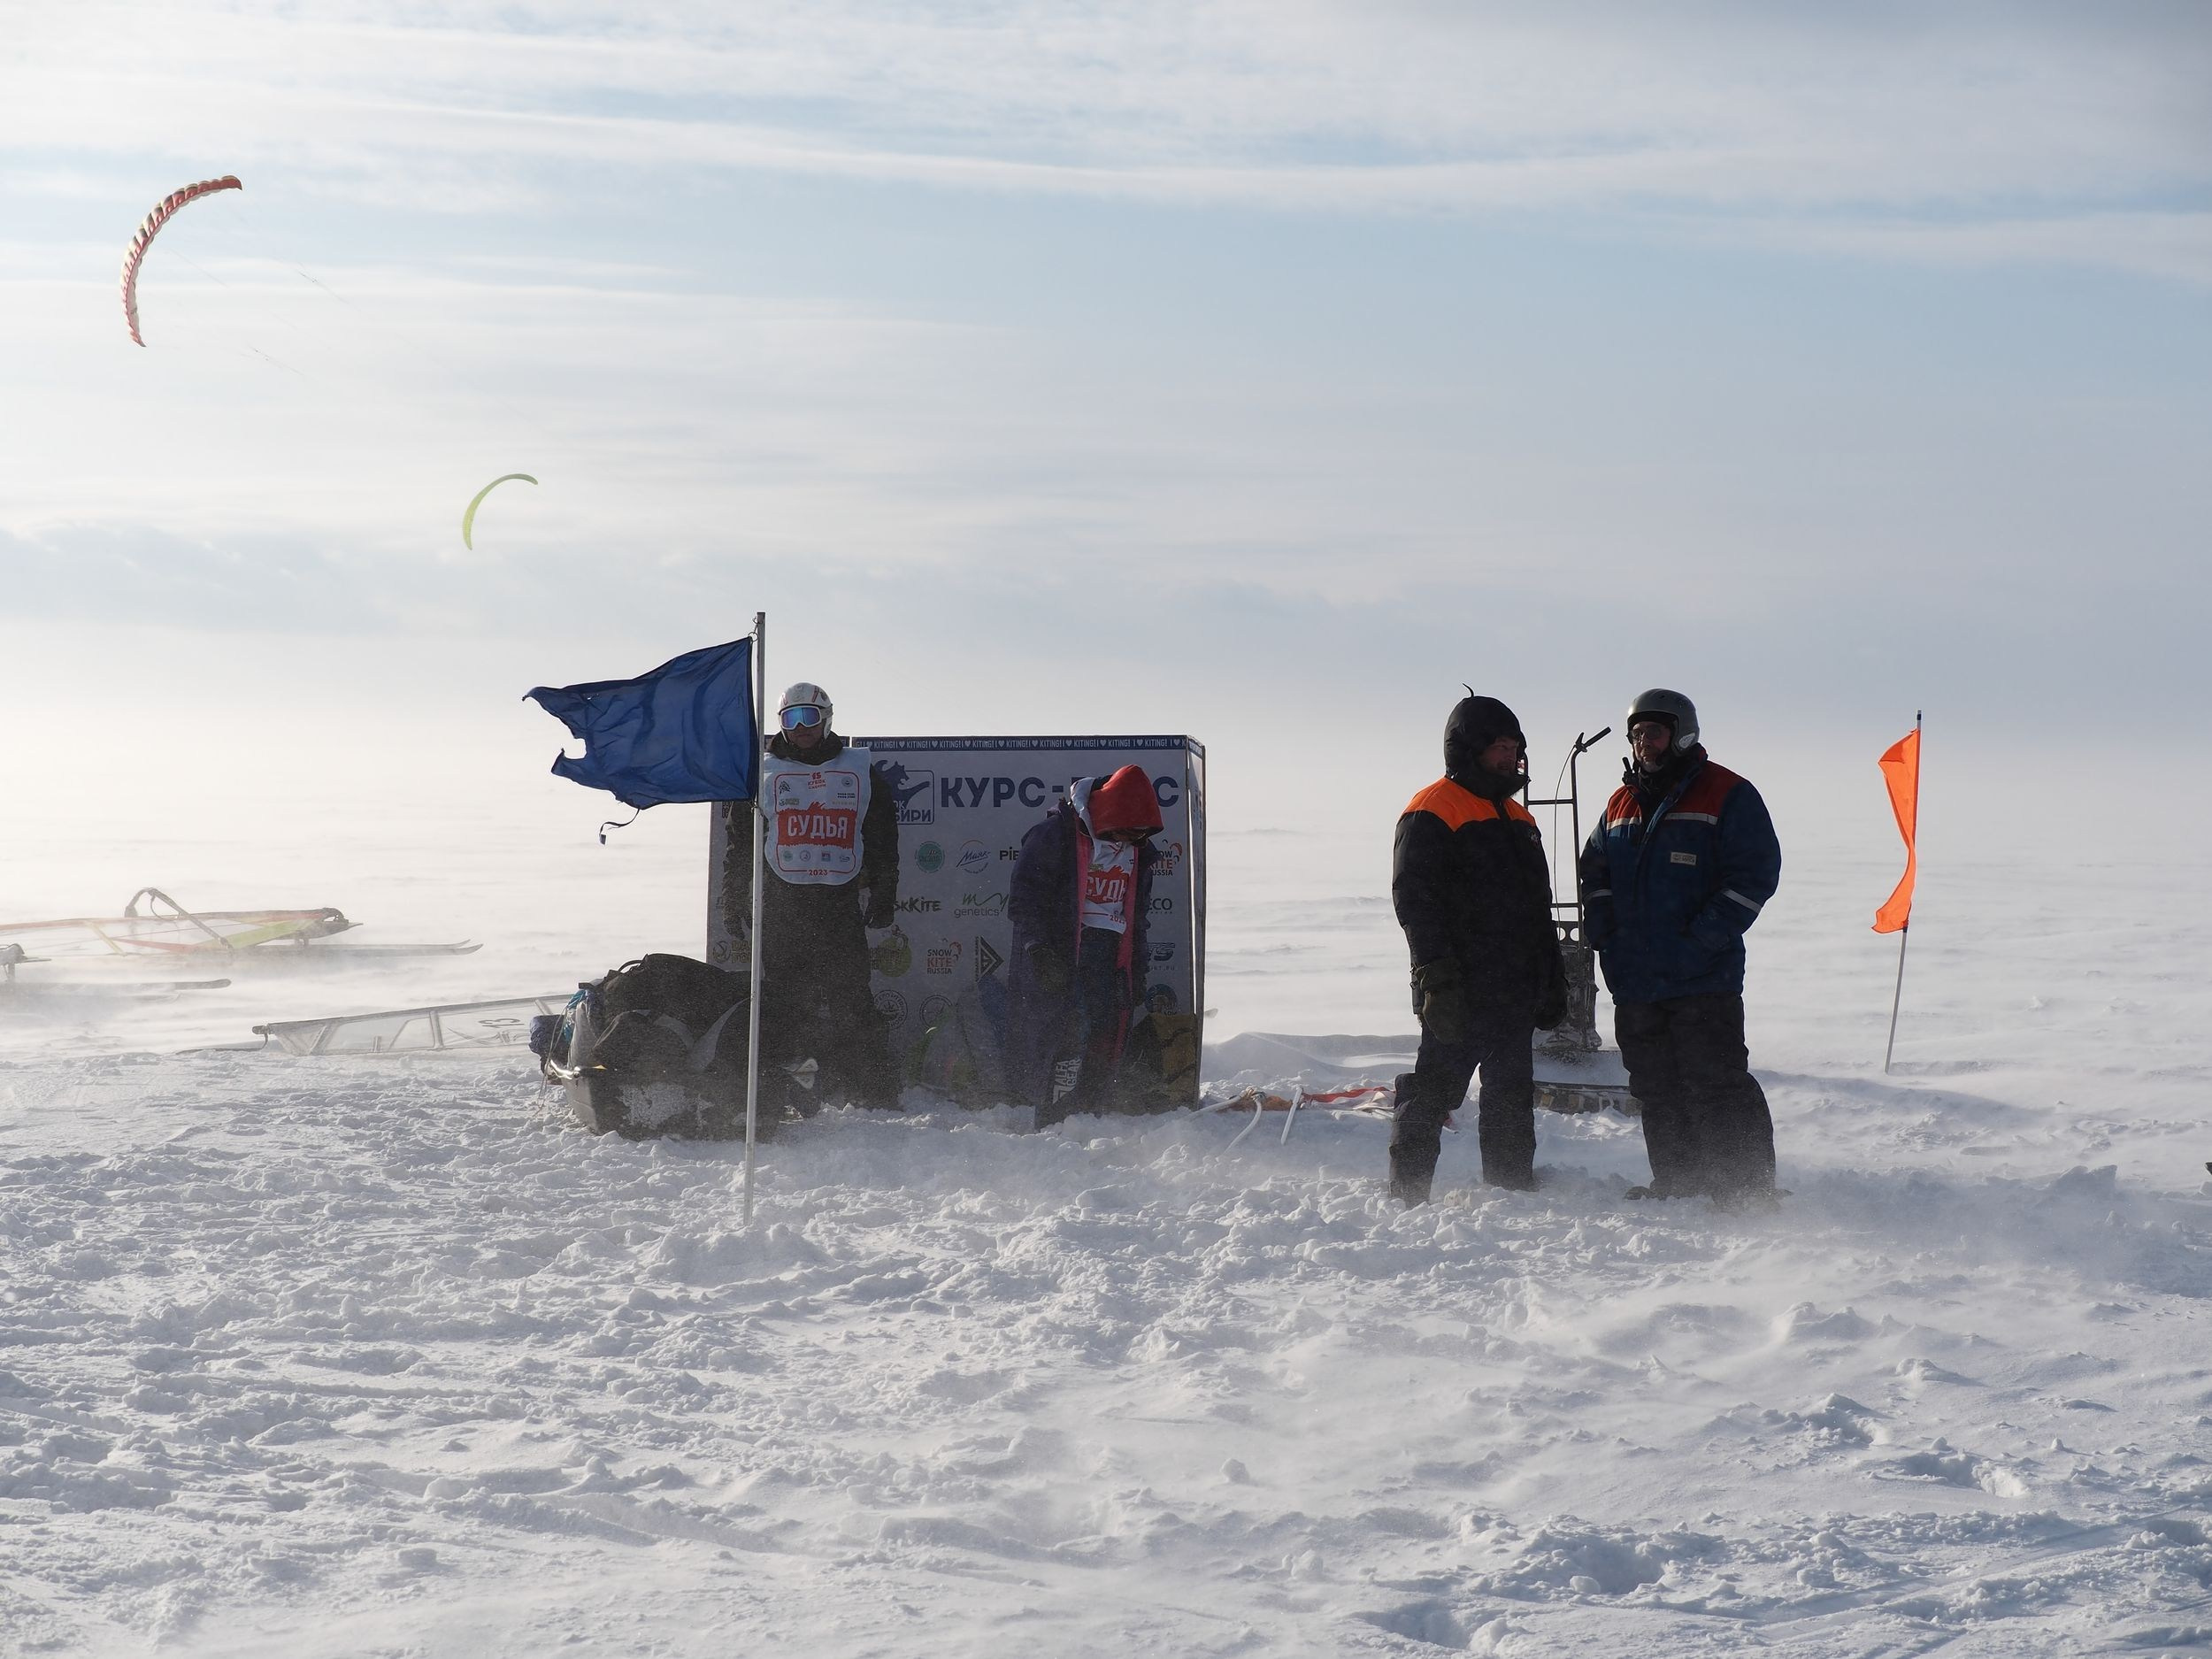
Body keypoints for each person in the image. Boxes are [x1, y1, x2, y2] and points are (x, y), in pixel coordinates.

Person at [1578, 689, 1782, 1205]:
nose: (1643, 743)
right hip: (1635, 980)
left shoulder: (1727, 793)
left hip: (1702, 977)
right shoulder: (1620, 804)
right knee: (1655, 1085)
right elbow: (1594, 871)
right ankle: (1680, 1181)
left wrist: (1699, 942)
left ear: (1682, 734)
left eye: (1654, 732)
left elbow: (1754, 876)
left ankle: (1747, 1189)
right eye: (1637, 734)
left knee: (1716, 1081)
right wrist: (1607, 937)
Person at [1388, 694, 1569, 1204]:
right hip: (1461, 986)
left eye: (1515, 748)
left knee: (1511, 1094)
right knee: (1435, 1089)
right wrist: (1436, 977)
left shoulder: (1520, 818)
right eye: (1499, 748)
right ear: (1468, 749)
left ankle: (1511, 1190)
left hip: (1514, 988)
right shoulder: (1432, 809)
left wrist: (1552, 976)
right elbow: (1415, 902)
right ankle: (1408, 1192)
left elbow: (1537, 910)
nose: (1510, 758)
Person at [757, 681, 901, 1110]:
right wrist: (737, 895)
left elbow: (882, 837)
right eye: (791, 718)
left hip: (837, 903)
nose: (801, 727)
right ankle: (785, 1088)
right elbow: (742, 842)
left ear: (827, 719)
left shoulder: (858, 769)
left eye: (810, 717)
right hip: (783, 903)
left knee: (850, 996)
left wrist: (885, 891)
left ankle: (870, 1088)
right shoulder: (763, 772)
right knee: (784, 1001)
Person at [1004, 764, 1163, 1127]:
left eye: (1142, 835)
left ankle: (1090, 1114)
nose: (1134, 841)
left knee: (1107, 1030)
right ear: (1110, 816)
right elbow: (1025, 900)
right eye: (1128, 832)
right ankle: (1055, 1118)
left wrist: (1138, 968)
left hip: (1111, 950)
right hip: (1064, 948)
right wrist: (1038, 950)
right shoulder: (1054, 835)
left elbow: (1138, 916)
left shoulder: (1139, 850)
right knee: (1067, 1033)